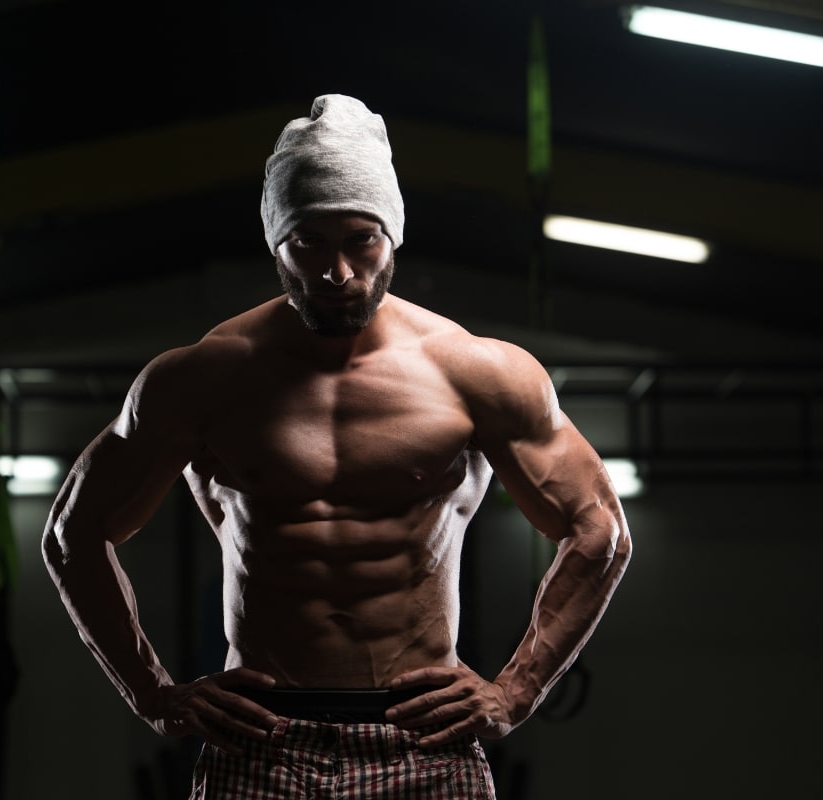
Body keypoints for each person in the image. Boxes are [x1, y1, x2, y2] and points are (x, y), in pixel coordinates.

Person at [41, 93, 632, 799]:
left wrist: (517, 690)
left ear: (394, 235)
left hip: (422, 737)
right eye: (308, 243)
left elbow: (600, 528)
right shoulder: (201, 378)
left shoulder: (477, 373)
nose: (337, 273)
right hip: (261, 738)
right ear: (275, 242)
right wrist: (153, 694)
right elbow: (73, 533)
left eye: (362, 241)